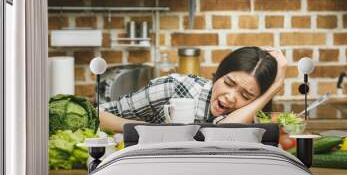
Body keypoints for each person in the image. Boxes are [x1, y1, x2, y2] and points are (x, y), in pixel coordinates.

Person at [100, 46, 287, 132]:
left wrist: (274, 88)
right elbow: (99, 115)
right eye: (228, 83)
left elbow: (225, 130)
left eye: (245, 95)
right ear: (220, 73)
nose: (231, 98)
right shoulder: (174, 87)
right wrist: (147, 131)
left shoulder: (248, 114)